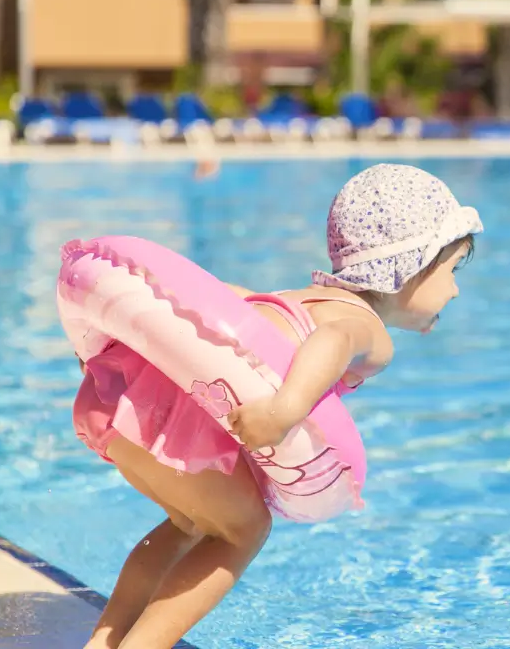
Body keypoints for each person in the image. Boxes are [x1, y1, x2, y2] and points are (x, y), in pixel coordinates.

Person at [74, 163, 483, 649]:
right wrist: (283, 411)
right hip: (180, 428)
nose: (456, 289)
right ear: (407, 267)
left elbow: (212, 308)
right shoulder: (367, 331)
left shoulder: (292, 298)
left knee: (188, 524)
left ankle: (104, 640)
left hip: (122, 408)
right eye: (452, 270)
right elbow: (332, 341)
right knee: (242, 532)